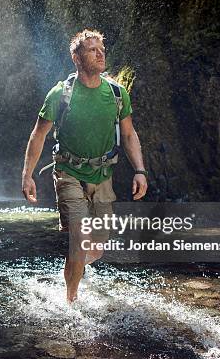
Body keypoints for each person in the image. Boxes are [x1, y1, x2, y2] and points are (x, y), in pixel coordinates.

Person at [21, 29, 148, 302]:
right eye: (92, 49)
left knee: (98, 247)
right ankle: (71, 302)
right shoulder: (60, 94)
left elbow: (128, 134)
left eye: (101, 48)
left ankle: (72, 269)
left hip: (103, 176)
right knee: (78, 238)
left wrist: (140, 170)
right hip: (68, 173)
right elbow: (38, 135)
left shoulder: (116, 93)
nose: (100, 53)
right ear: (76, 58)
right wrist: (27, 175)